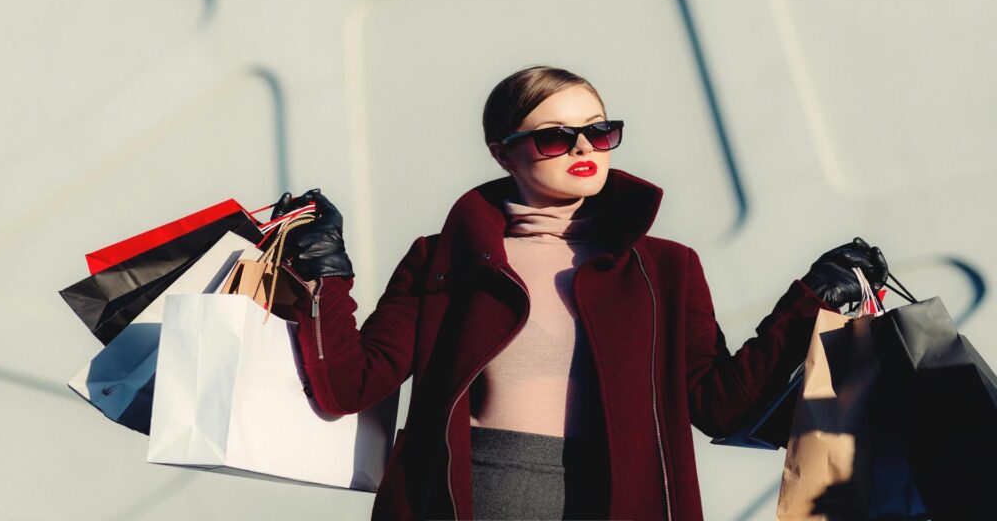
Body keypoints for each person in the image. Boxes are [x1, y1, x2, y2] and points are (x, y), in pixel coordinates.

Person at [271, 66, 889, 520]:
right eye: (554, 138)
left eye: (599, 131)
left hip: (623, 500)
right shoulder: (445, 258)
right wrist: (324, 274)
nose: (584, 149)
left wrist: (810, 299)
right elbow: (347, 386)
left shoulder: (665, 268)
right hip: (476, 499)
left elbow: (720, 405)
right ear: (502, 152)